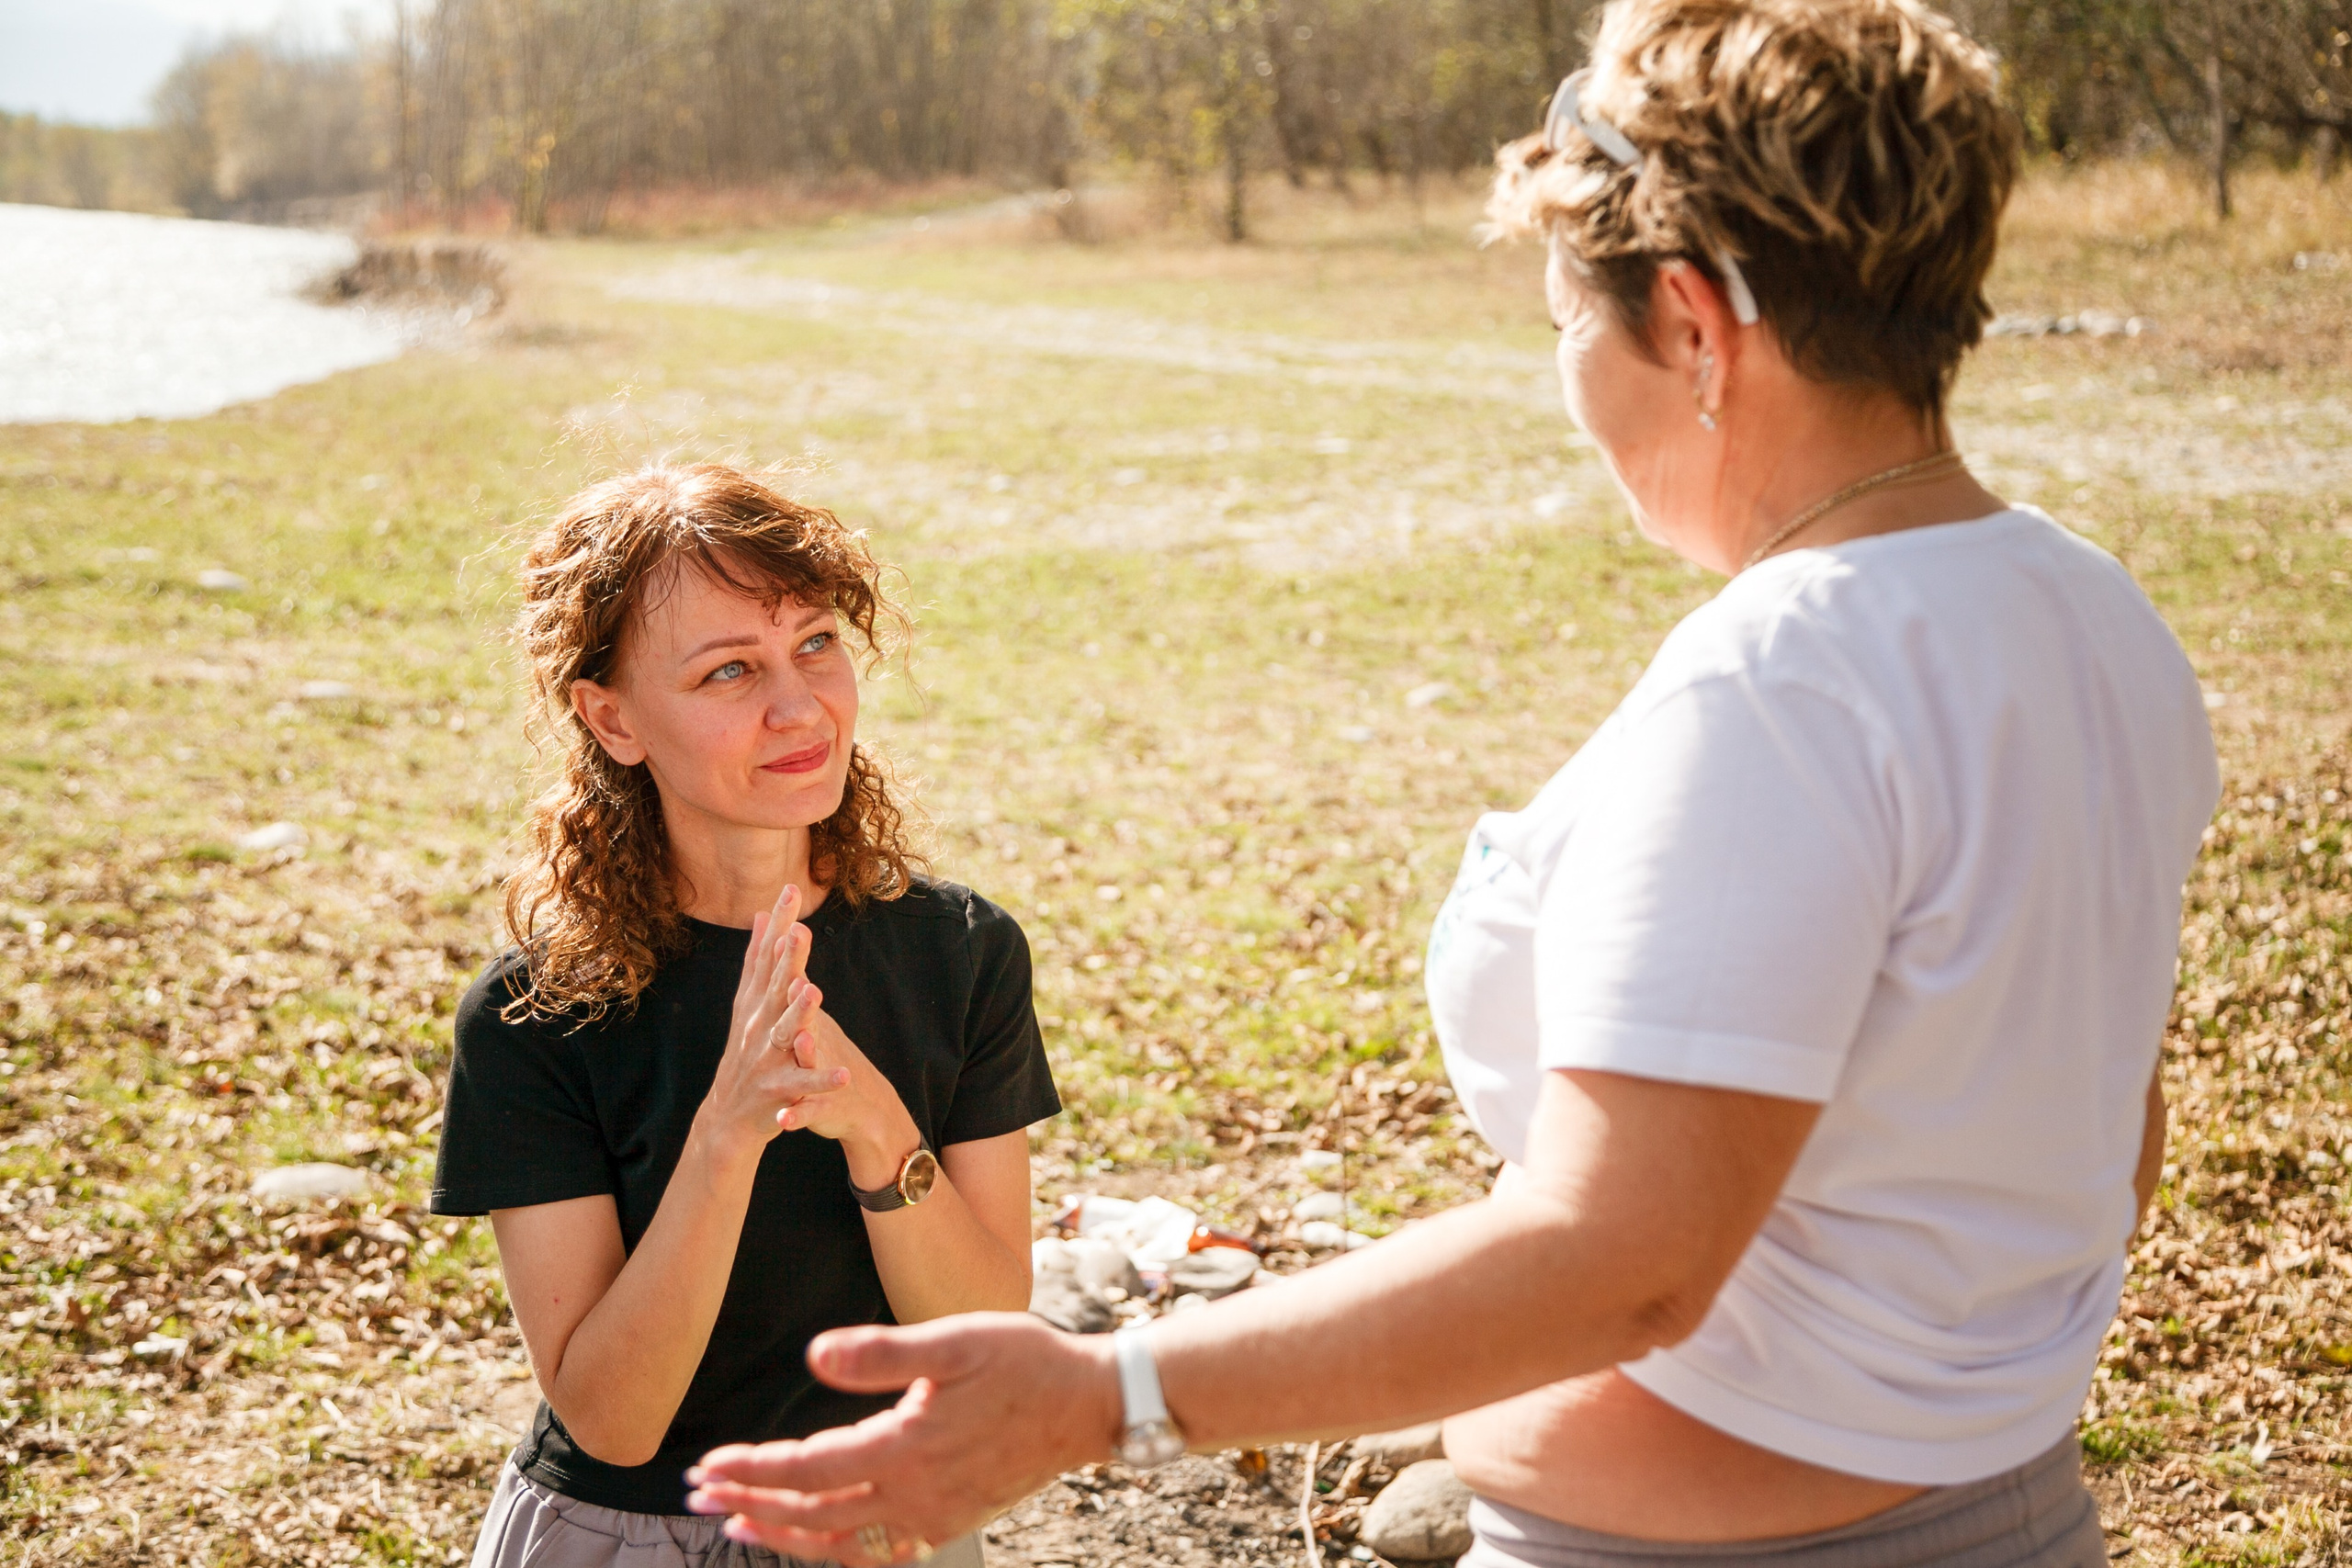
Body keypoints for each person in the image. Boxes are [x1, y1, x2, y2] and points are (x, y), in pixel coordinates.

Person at [678, 3, 2221, 1566]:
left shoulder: (1782, 682)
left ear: (1692, 322)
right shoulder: (2095, 617)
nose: (1568, 373)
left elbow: (1624, 1263)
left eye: (1568, 316)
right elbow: (2111, 1140)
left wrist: (1100, 1395)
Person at [429, 464, 1060, 1568]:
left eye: (814, 643)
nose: (797, 705)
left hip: (885, 1521)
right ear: (612, 718)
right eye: (729, 669)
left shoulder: (959, 953)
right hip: (625, 1535)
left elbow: (982, 1339)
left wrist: (875, 1127)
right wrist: (726, 1133)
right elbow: (613, 1422)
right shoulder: (533, 1016)